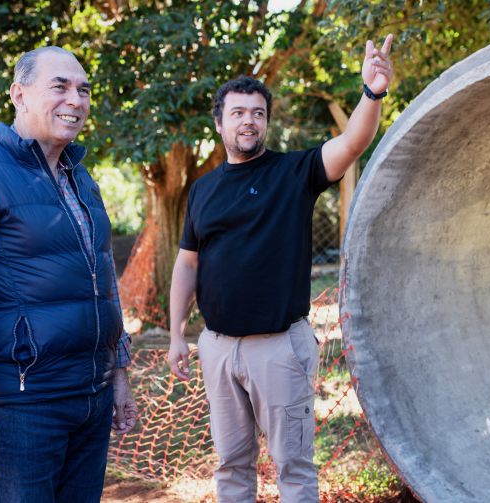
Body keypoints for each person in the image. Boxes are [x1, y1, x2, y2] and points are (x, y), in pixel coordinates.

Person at [167, 36, 395, 502]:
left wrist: (372, 92)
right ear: (219, 122)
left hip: (278, 349)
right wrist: (176, 333)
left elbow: (353, 143)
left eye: (257, 113)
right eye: (238, 112)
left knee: (292, 466)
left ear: (266, 122)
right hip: (217, 347)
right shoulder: (203, 190)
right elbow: (187, 262)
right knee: (231, 466)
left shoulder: (294, 172)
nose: (248, 121)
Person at [0, 46, 138, 503]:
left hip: (91, 399)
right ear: (19, 95)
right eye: (59, 86)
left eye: (83, 90)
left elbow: (105, 284)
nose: (75, 100)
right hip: (24, 404)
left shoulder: (82, 179)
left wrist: (118, 374)